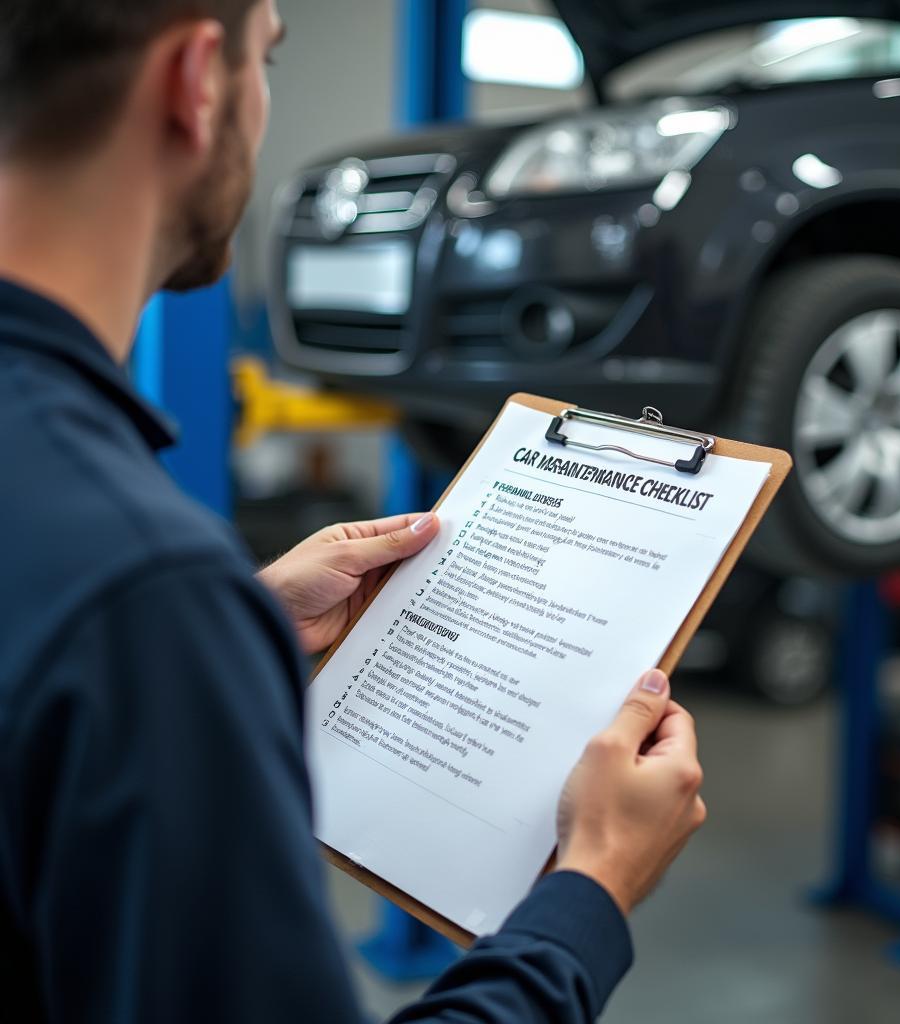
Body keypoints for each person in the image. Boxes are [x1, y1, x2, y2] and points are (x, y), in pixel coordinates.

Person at [0, 2, 707, 1021]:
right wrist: (590, 888)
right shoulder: (137, 592)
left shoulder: (115, 583)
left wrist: (233, 626)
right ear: (198, 81)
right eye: (269, 57)